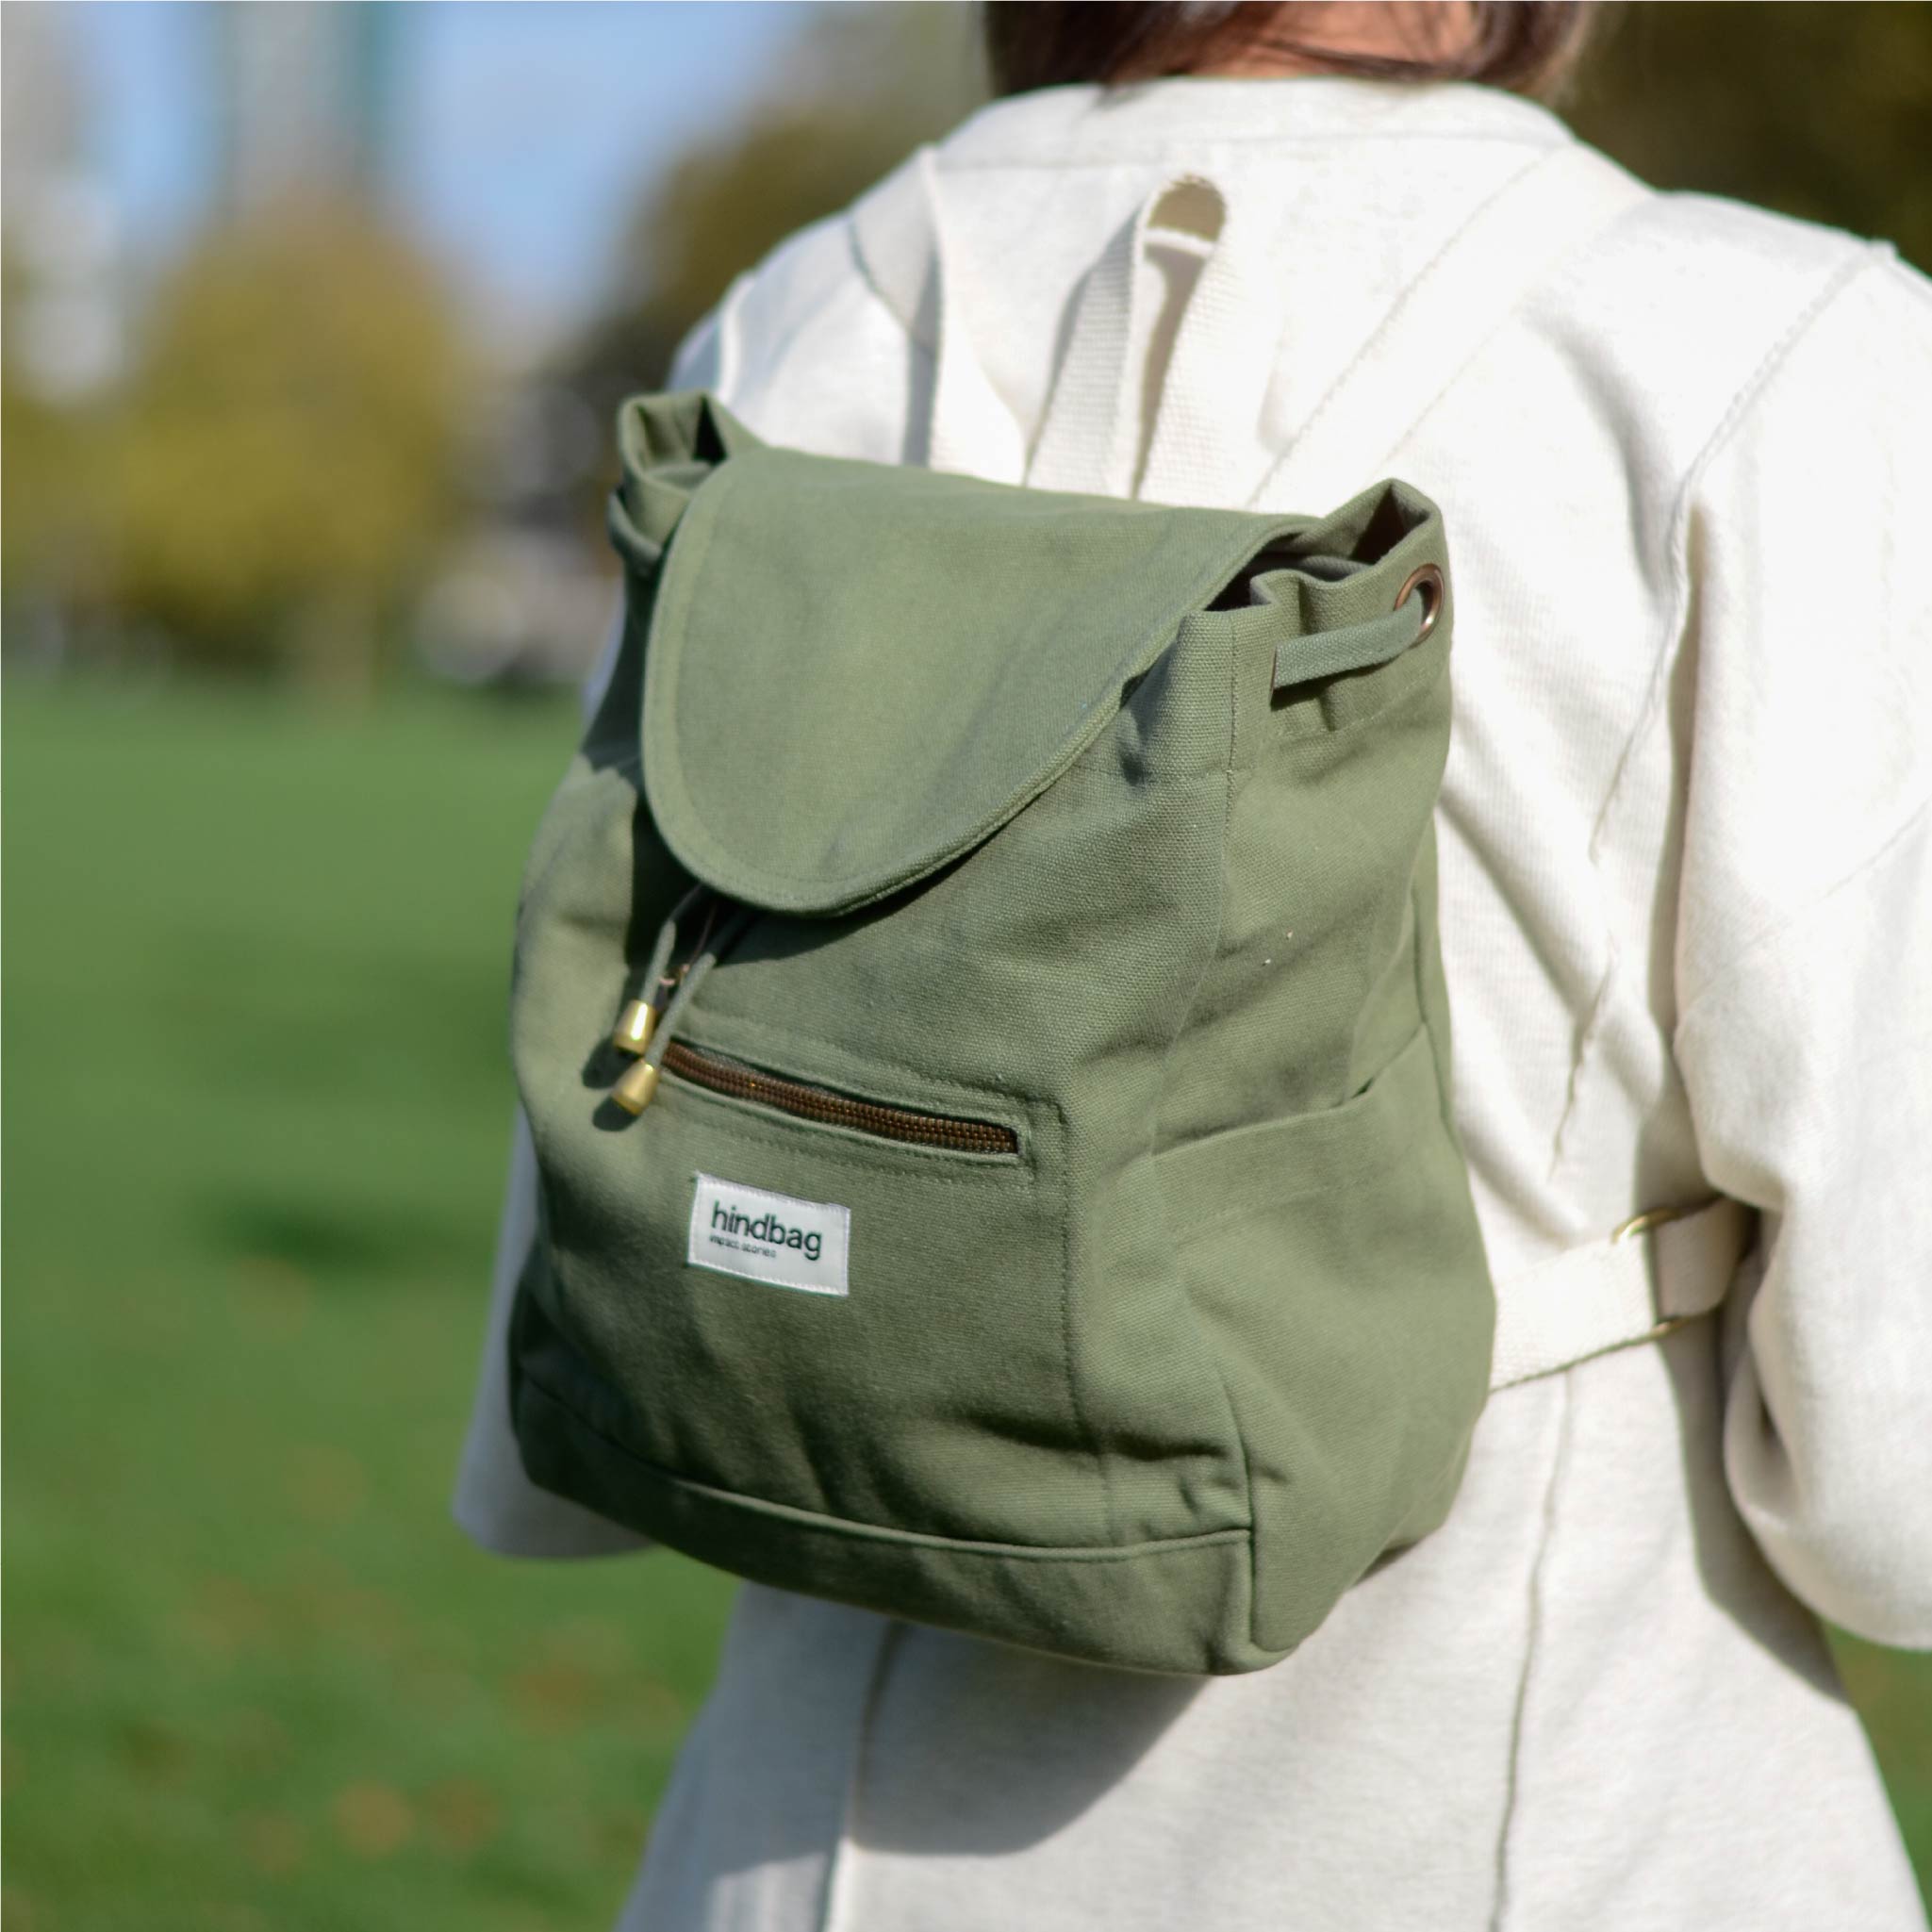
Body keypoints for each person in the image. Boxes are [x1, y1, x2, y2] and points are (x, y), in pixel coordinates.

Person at [455, 4, 1932, 1924]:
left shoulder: (795, 313)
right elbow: (1888, 1492)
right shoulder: (1786, 362)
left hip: (801, 1842)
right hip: (1518, 1816)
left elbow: (589, 1229)